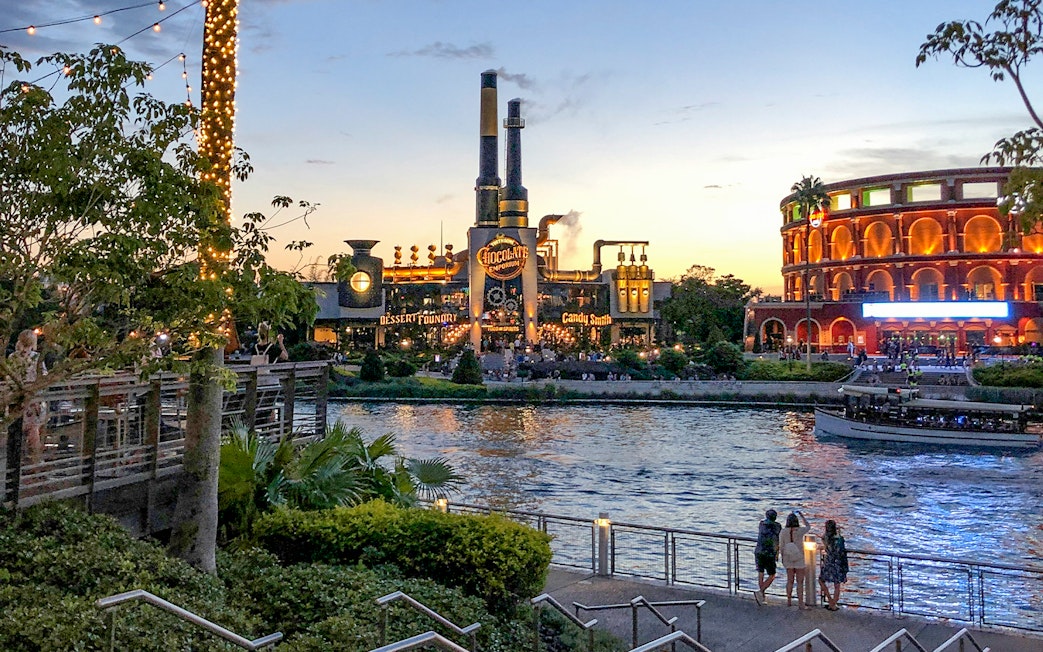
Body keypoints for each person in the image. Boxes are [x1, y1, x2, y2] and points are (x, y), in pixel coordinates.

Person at [8, 329, 47, 463]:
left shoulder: (13, 357)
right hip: (32, 398)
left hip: (18, 397)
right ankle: (35, 460)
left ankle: (17, 462)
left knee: (19, 429)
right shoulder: (36, 358)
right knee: (33, 430)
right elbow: (43, 377)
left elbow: (10, 378)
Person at [780, 511, 811, 608]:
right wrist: (802, 516)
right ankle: (800, 603)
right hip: (799, 558)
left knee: (790, 581)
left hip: (788, 558)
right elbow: (808, 527)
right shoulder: (800, 531)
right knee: (800, 582)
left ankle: (789, 601)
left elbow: (781, 546)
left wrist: (782, 558)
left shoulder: (783, 532)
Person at [818, 519, 849, 611]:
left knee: (821, 580)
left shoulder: (825, 538)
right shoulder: (839, 539)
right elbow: (842, 550)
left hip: (829, 561)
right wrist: (839, 532)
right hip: (838, 562)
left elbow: (825, 540)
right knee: (837, 585)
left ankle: (830, 599)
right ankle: (833, 604)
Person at [753, 509, 781, 604]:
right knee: (772, 574)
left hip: (759, 551)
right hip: (769, 553)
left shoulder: (761, 524)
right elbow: (778, 539)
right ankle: (761, 592)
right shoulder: (777, 526)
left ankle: (762, 597)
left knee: (761, 573)